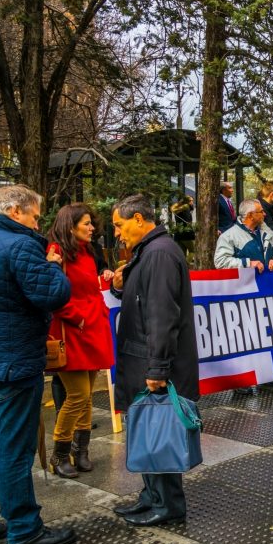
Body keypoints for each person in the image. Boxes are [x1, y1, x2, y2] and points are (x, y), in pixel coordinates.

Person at [0, 185, 76, 544]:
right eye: (33, 216)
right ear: (14, 210)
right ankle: (24, 530)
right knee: (15, 449)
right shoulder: (21, 244)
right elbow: (54, 295)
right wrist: (54, 266)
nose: (35, 223)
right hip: (12, 364)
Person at [109, 195, 199, 526]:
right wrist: (121, 287)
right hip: (142, 358)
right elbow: (143, 298)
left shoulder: (159, 253)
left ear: (138, 219)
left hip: (154, 362)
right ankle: (152, 496)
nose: (117, 233)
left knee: (160, 433)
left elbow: (162, 314)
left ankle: (168, 504)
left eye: (119, 225)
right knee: (147, 431)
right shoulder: (149, 250)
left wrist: (158, 368)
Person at [45, 204, 115, 479]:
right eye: (86, 223)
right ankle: (59, 453)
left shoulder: (88, 251)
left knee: (86, 398)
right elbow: (54, 294)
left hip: (92, 328)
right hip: (71, 330)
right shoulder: (56, 252)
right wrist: (78, 317)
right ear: (70, 225)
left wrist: (99, 312)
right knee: (77, 396)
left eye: (90, 223)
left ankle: (80, 451)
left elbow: (90, 287)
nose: (91, 228)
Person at [214, 199, 273, 272]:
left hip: (267, 281)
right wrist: (248, 263)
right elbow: (220, 262)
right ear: (250, 215)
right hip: (245, 283)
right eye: (261, 211)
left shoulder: (267, 231)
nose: (264, 214)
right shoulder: (228, 236)